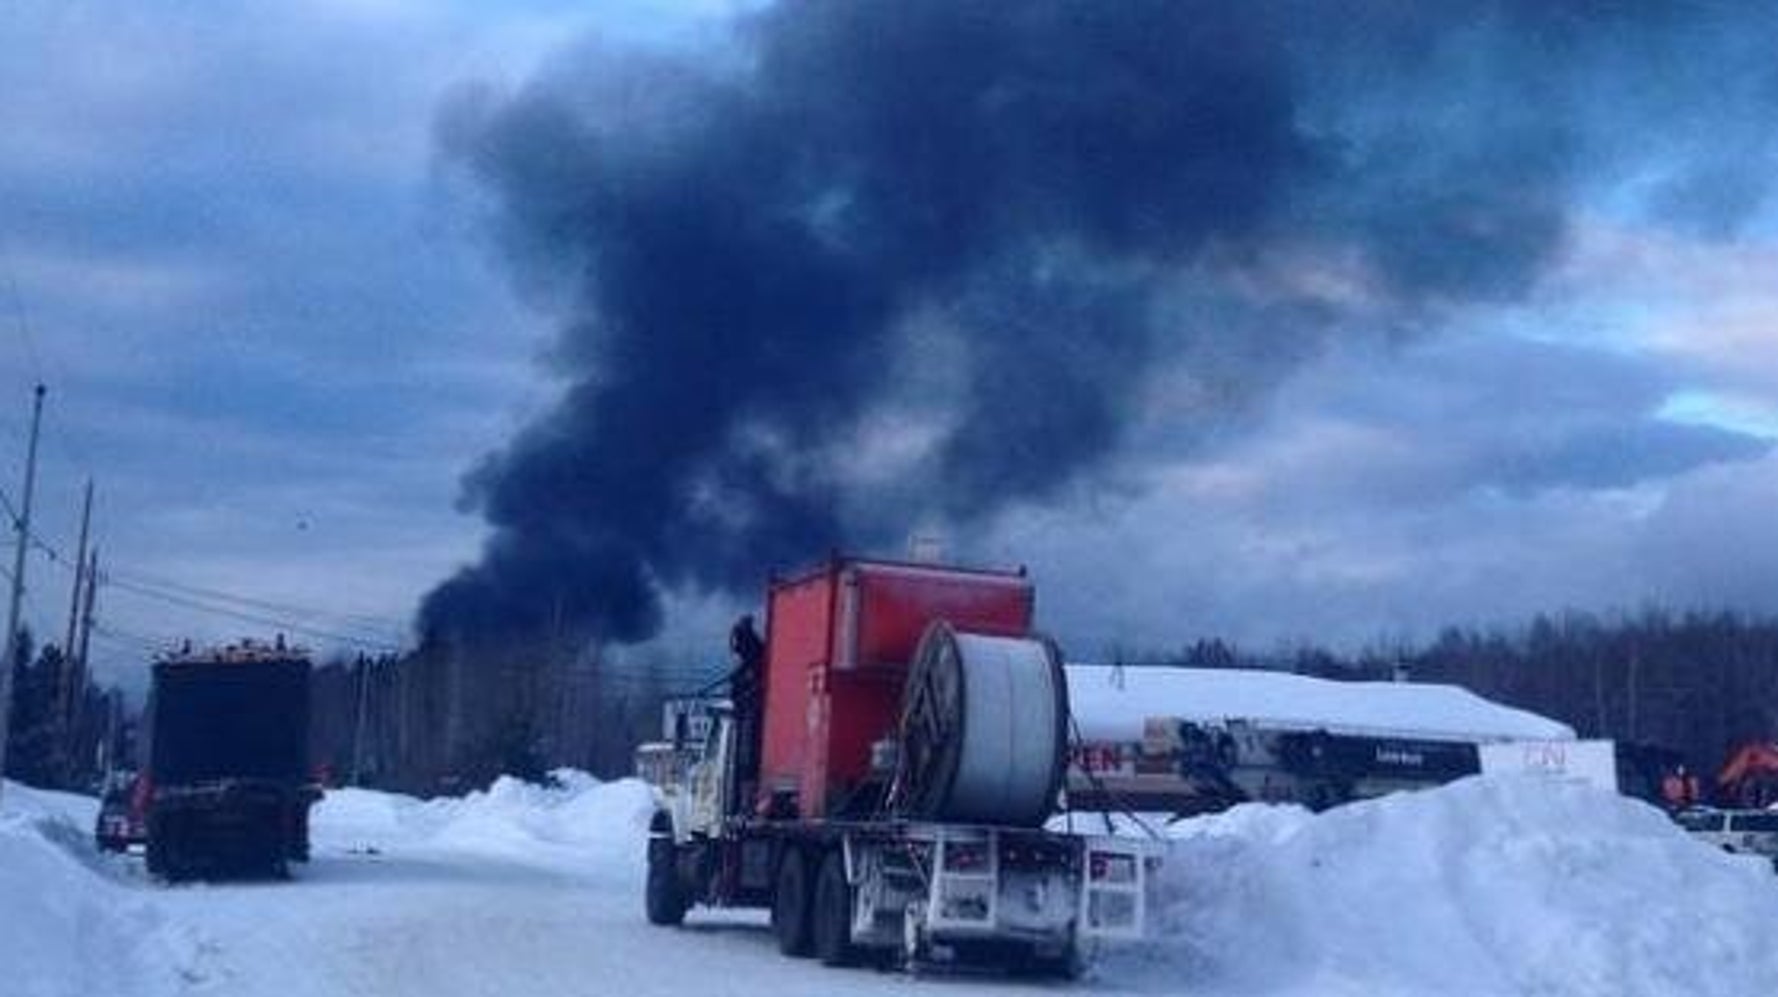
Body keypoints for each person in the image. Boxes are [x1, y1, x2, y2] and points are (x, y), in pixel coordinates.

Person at [727, 614, 765, 813]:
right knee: (746, 758)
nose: (736, 651)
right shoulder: (748, 665)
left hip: (754, 716)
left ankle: (747, 800)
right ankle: (746, 799)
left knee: (748, 758)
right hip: (750, 713)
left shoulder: (757, 660)